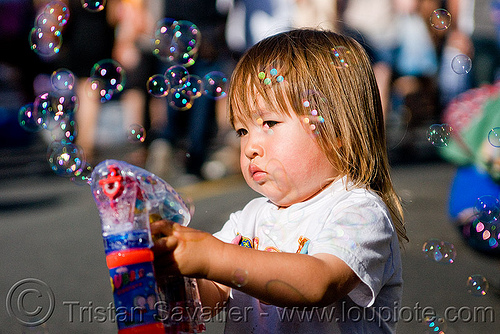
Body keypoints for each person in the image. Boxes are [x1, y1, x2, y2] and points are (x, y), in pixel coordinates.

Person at [151, 29, 408, 333]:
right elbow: (211, 293)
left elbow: (318, 282)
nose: (249, 147)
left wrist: (210, 256)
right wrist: (171, 271)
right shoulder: (249, 220)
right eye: (242, 131)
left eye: (268, 123)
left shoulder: (359, 211)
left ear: (337, 129)